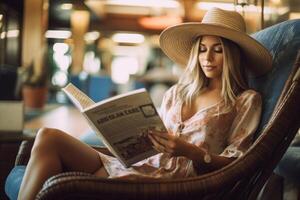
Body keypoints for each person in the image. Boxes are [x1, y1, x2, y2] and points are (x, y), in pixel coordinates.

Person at [18, 8, 272, 200]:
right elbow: (152, 137)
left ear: (232, 54)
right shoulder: (177, 93)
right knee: (48, 136)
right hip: (139, 165)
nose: (207, 58)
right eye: (202, 49)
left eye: (218, 50)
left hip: (175, 183)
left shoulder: (245, 100)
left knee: (80, 176)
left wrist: (191, 152)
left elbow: (239, 164)